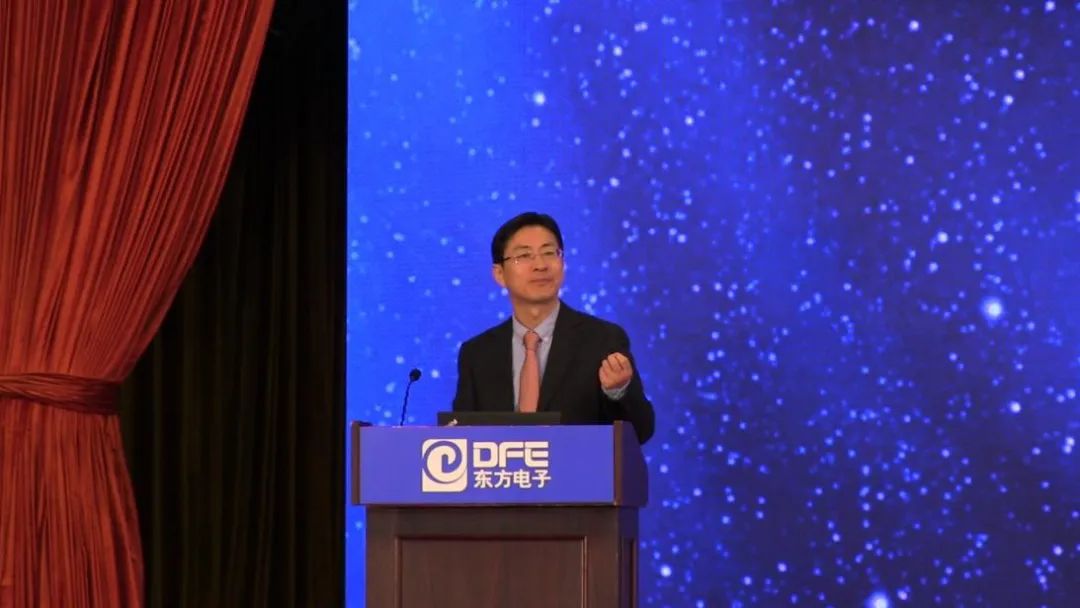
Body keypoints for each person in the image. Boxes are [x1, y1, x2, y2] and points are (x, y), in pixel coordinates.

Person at [452, 212, 655, 444]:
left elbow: (641, 432)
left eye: (549, 253)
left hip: (578, 467)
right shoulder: (477, 354)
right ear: (499, 274)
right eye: (524, 255)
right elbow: (462, 439)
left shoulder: (603, 340)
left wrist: (618, 391)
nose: (540, 265)